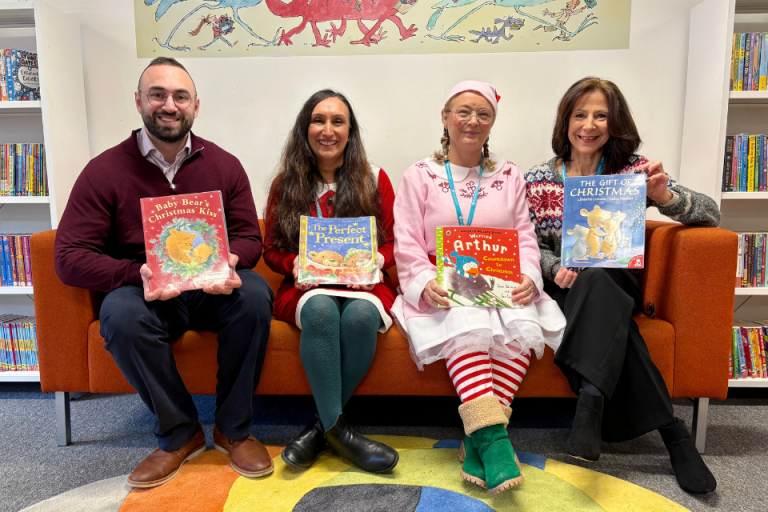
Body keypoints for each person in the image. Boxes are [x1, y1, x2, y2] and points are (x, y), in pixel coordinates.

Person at [54, 57, 275, 488]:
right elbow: (69, 255)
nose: (169, 105)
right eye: (157, 94)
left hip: (211, 290)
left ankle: (233, 429)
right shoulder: (104, 171)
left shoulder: (225, 166)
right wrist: (136, 273)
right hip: (150, 295)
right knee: (119, 313)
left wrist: (232, 261)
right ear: (139, 101)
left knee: (254, 292)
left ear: (196, 106)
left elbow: (250, 237)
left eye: (180, 96)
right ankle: (179, 433)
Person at [524, 76, 720, 494]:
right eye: (580, 114)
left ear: (615, 123)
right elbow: (530, 243)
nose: (589, 124)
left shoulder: (632, 170)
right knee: (595, 290)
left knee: (600, 274)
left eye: (601, 115)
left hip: (619, 278)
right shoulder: (539, 178)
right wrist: (555, 265)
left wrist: (665, 196)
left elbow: (710, 214)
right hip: (567, 286)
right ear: (566, 121)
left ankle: (590, 404)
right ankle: (673, 433)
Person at [392, 81, 566, 495]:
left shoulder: (508, 175)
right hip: (444, 282)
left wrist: (528, 275)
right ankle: (494, 440)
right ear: (445, 118)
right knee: (468, 317)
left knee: (523, 323)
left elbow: (524, 233)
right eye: (463, 111)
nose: (473, 121)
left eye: (483, 114)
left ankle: (478, 437)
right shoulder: (419, 175)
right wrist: (421, 282)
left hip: (502, 278)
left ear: (492, 123)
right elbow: (406, 239)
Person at [263, 90, 399, 473]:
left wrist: (375, 260)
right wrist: (296, 265)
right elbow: (270, 249)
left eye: (338, 121)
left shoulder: (375, 180)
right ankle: (342, 434)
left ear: (350, 131)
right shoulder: (284, 184)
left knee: (358, 318)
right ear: (305, 129)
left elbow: (394, 243)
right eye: (318, 120)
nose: (328, 130)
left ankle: (322, 431)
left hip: (366, 287)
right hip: (308, 289)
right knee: (322, 311)